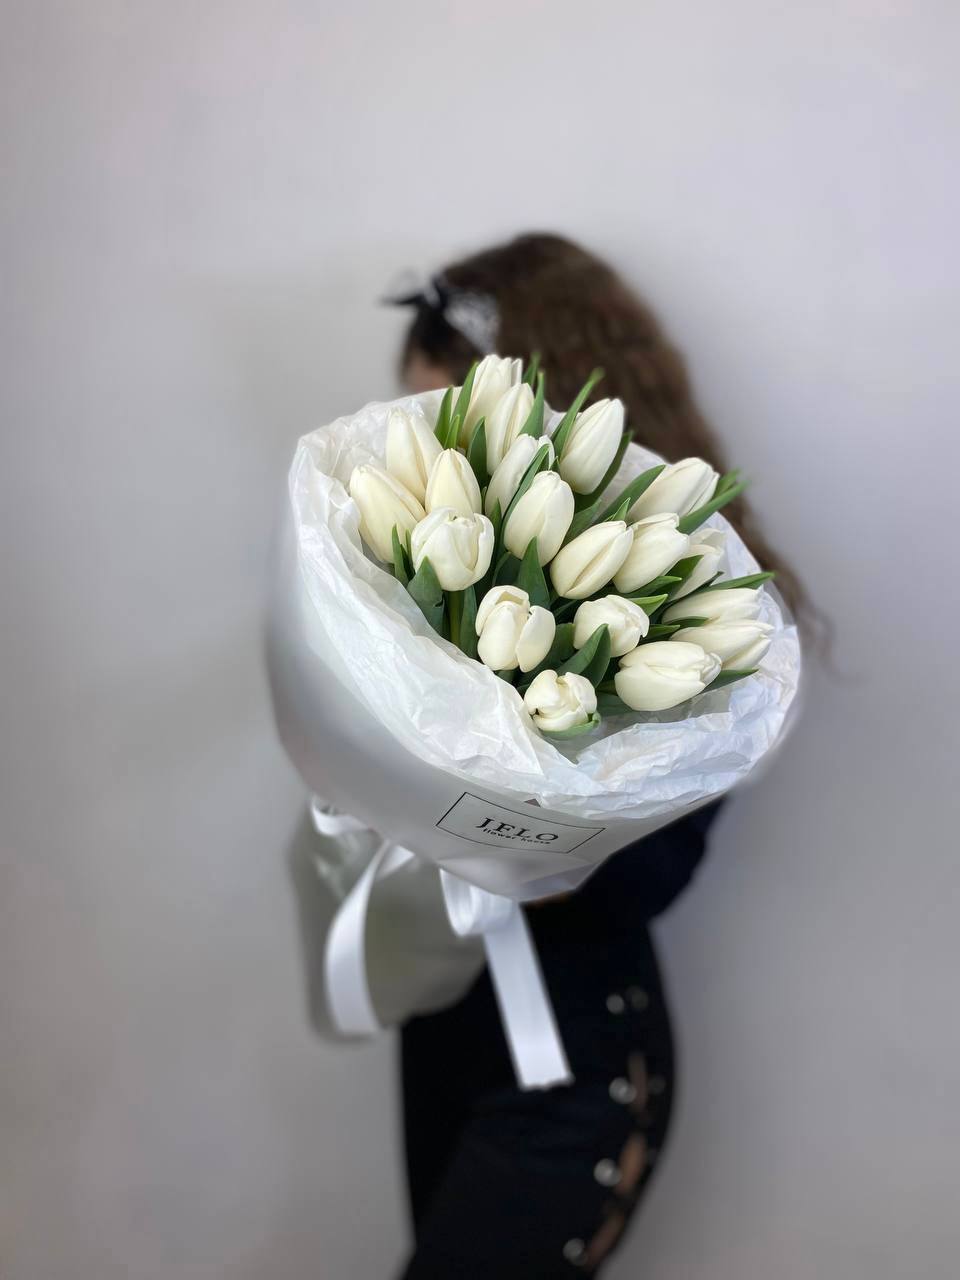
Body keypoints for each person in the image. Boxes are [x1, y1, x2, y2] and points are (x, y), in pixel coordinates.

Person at [390, 233, 807, 1278]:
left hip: (576, 1067)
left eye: (452, 430)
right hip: (446, 1033)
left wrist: (502, 808)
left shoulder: (685, 613)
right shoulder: (412, 588)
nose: (436, 470)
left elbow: (646, 879)